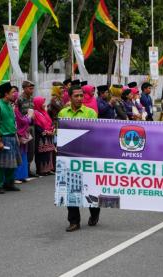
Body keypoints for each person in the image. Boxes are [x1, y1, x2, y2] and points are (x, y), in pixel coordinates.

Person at [58, 85, 100, 232]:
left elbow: (94, 133)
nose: (80, 98)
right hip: (69, 157)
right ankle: (74, 221)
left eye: (81, 95)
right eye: (76, 96)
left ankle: (95, 213)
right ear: (70, 97)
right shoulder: (63, 113)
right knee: (71, 188)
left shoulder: (90, 113)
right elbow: (61, 133)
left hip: (87, 155)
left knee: (90, 188)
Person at [0, 82, 22, 194]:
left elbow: (12, 122)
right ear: (6, 94)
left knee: (12, 163)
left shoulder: (9, 105)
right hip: (3, 138)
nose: (15, 94)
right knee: (0, 163)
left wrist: (16, 136)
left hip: (13, 137)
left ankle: (9, 183)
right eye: (12, 92)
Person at [18, 80, 38, 178]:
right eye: (30, 88)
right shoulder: (20, 99)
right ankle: (23, 170)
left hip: (31, 126)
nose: (32, 90)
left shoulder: (32, 99)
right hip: (23, 127)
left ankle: (28, 168)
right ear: (24, 88)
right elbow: (17, 114)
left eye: (32, 88)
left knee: (31, 148)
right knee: (24, 149)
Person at [13, 90, 32, 184]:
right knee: (19, 156)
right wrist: (29, 117)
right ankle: (17, 176)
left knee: (23, 155)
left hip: (21, 133)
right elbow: (22, 121)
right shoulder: (15, 109)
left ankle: (22, 175)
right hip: (19, 134)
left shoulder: (16, 109)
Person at [33, 96, 55, 176]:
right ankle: (41, 170)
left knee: (48, 153)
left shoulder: (44, 112)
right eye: (42, 103)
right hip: (41, 137)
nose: (44, 105)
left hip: (48, 136)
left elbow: (50, 122)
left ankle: (48, 169)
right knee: (42, 154)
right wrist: (45, 132)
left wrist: (52, 129)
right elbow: (37, 126)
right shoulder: (35, 113)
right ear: (38, 104)